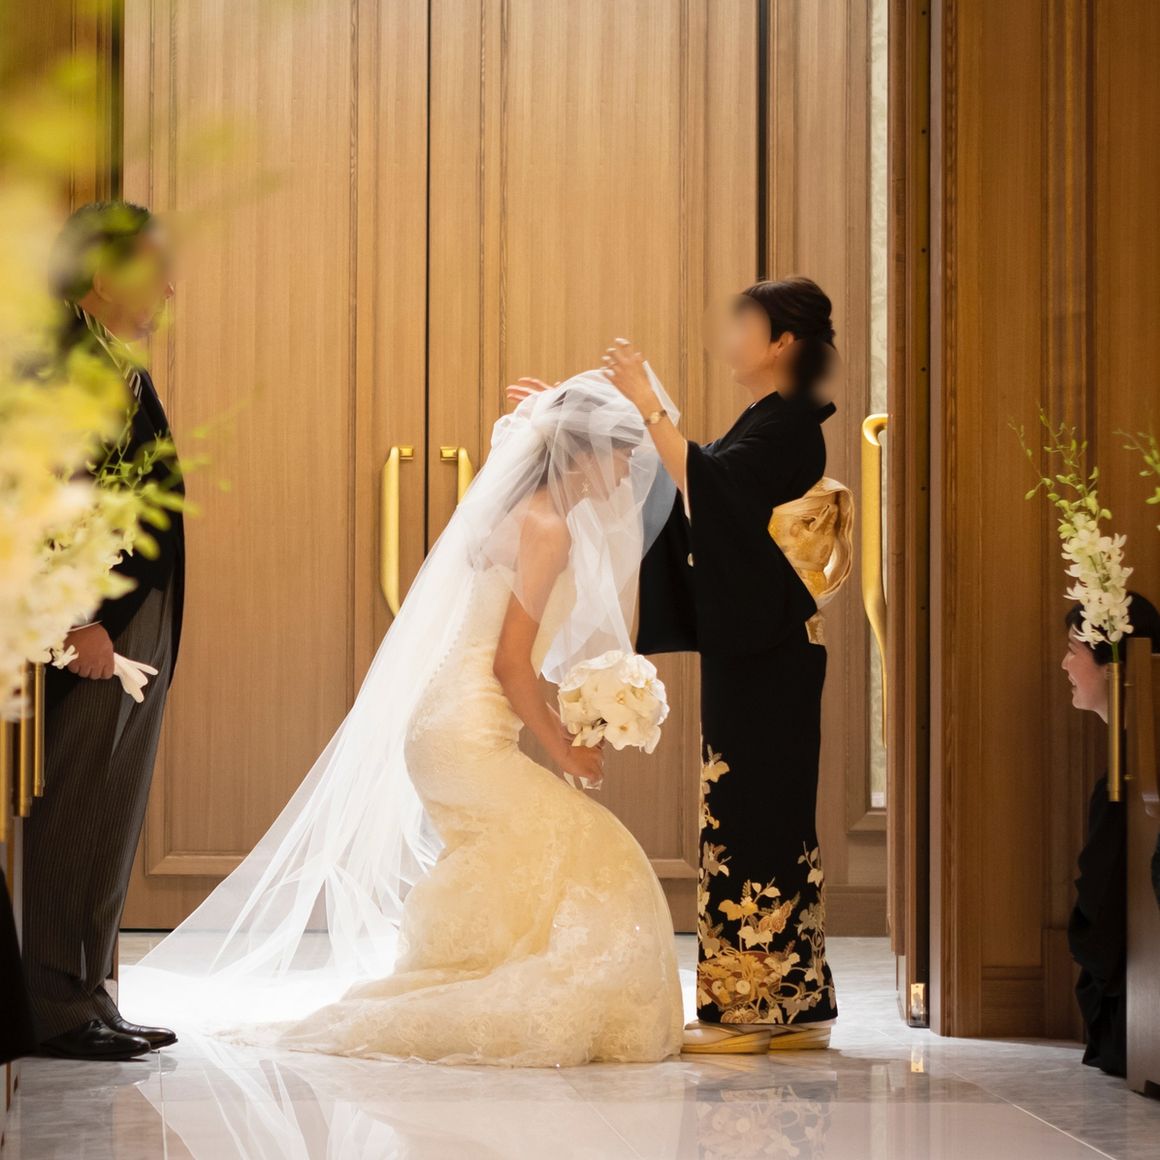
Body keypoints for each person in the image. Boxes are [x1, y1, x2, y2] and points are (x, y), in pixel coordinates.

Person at [124, 375, 683, 1067]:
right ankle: (500, 994)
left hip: (446, 725)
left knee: (528, 851)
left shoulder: (523, 509)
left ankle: (485, 970)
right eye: (621, 453)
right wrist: (564, 751)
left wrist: (545, 416)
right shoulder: (549, 528)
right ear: (581, 456)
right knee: (604, 852)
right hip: (465, 733)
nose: (628, 472)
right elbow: (511, 665)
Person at [600, 277, 841, 1054]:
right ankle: (794, 1002)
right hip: (762, 653)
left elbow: (713, 487)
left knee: (753, 821)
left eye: (747, 324)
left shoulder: (792, 424)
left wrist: (649, 405)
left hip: (767, 657)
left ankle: (748, 1012)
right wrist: (597, 427)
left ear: (784, 343)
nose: (731, 336)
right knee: (764, 816)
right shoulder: (773, 418)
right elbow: (699, 482)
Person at [22, 201, 181, 1061]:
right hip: (94, 635)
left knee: (113, 808)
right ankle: (53, 1005)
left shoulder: (115, 360)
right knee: (77, 807)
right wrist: (78, 622)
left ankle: (88, 991)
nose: (167, 286)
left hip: (137, 621)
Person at [1063, 591, 1160, 1077]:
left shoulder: (1129, 780)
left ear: (1111, 666)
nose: (1064, 665)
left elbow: (1101, 907)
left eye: (1073, 651)